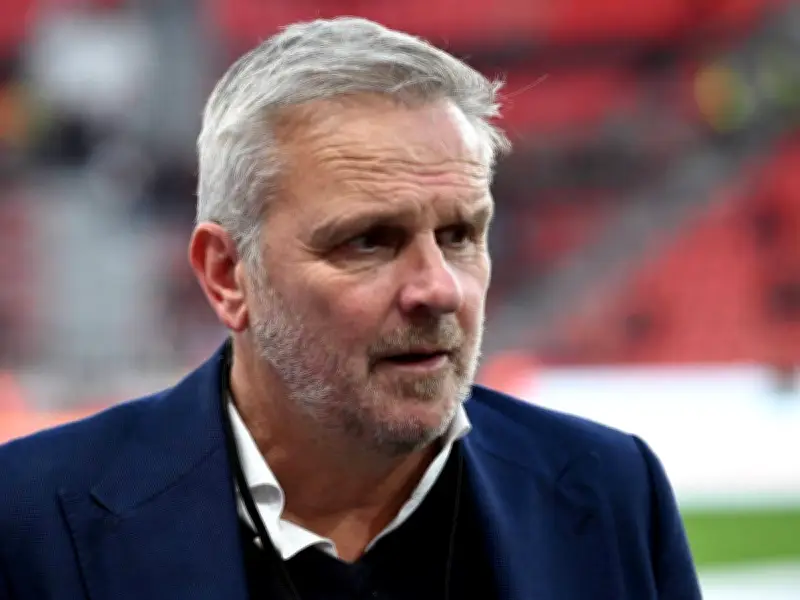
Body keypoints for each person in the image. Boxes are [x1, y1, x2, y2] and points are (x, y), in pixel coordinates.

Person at [0, 17, 701, 600]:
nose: (440, 289)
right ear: (227, 275)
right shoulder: (28, 521)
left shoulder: (611, 489)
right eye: (369, 241)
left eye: (460, 235)